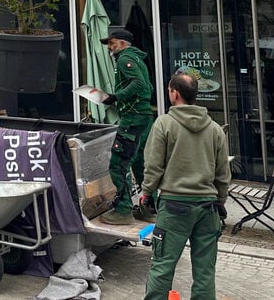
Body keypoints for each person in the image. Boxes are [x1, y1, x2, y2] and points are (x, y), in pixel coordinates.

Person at [141, 71, 230, 300]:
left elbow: (153, 165)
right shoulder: (215, 129)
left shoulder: (164, 124)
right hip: (208, 208)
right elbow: (222, 173)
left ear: (175, 94)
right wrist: (220, 198)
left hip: (174, 207)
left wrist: (146, 192)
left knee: (163, 266)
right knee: (204, 271)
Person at [98, 28, 154, 224]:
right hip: (144, 115)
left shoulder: (124, 59)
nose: (110, 47)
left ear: (122, 43)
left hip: (132, 118)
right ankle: (150, 208)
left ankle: (123, 210)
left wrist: (117, 97)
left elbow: (139, 84)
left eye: (112, 43)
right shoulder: (138, 59)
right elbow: (147, 87)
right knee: (139, 161)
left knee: (119, 163)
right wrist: (117, 100)